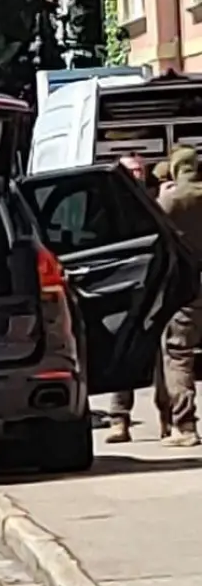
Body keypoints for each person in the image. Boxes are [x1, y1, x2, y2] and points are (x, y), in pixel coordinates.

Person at [155, 146, 202, 447]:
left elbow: (153, 229)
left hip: (187, 285)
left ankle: (184, 425)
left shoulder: (171, 199)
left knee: (178, 354)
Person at [107, 154, 149, 443]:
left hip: (156, 286)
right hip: (124, 288)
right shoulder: (109, 205)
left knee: (162, 358)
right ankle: (119, 420)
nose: (136, 176)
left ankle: (172, 421)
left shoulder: (157, 202)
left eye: (139, 171)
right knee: (125, 353)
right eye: (130, 171)